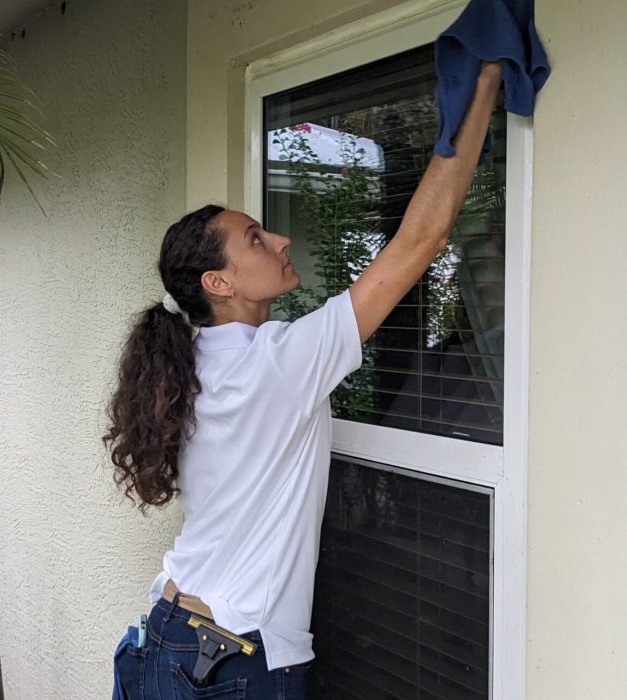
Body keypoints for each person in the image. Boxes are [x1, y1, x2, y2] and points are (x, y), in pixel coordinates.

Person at [105, 62, 501, 700]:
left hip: (165, 635)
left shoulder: (194, 360)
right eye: (256, 239)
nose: (281, 239)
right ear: (219, 283)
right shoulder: (273, 363)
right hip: (230, 659)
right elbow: (419, 241)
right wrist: (481, 83)